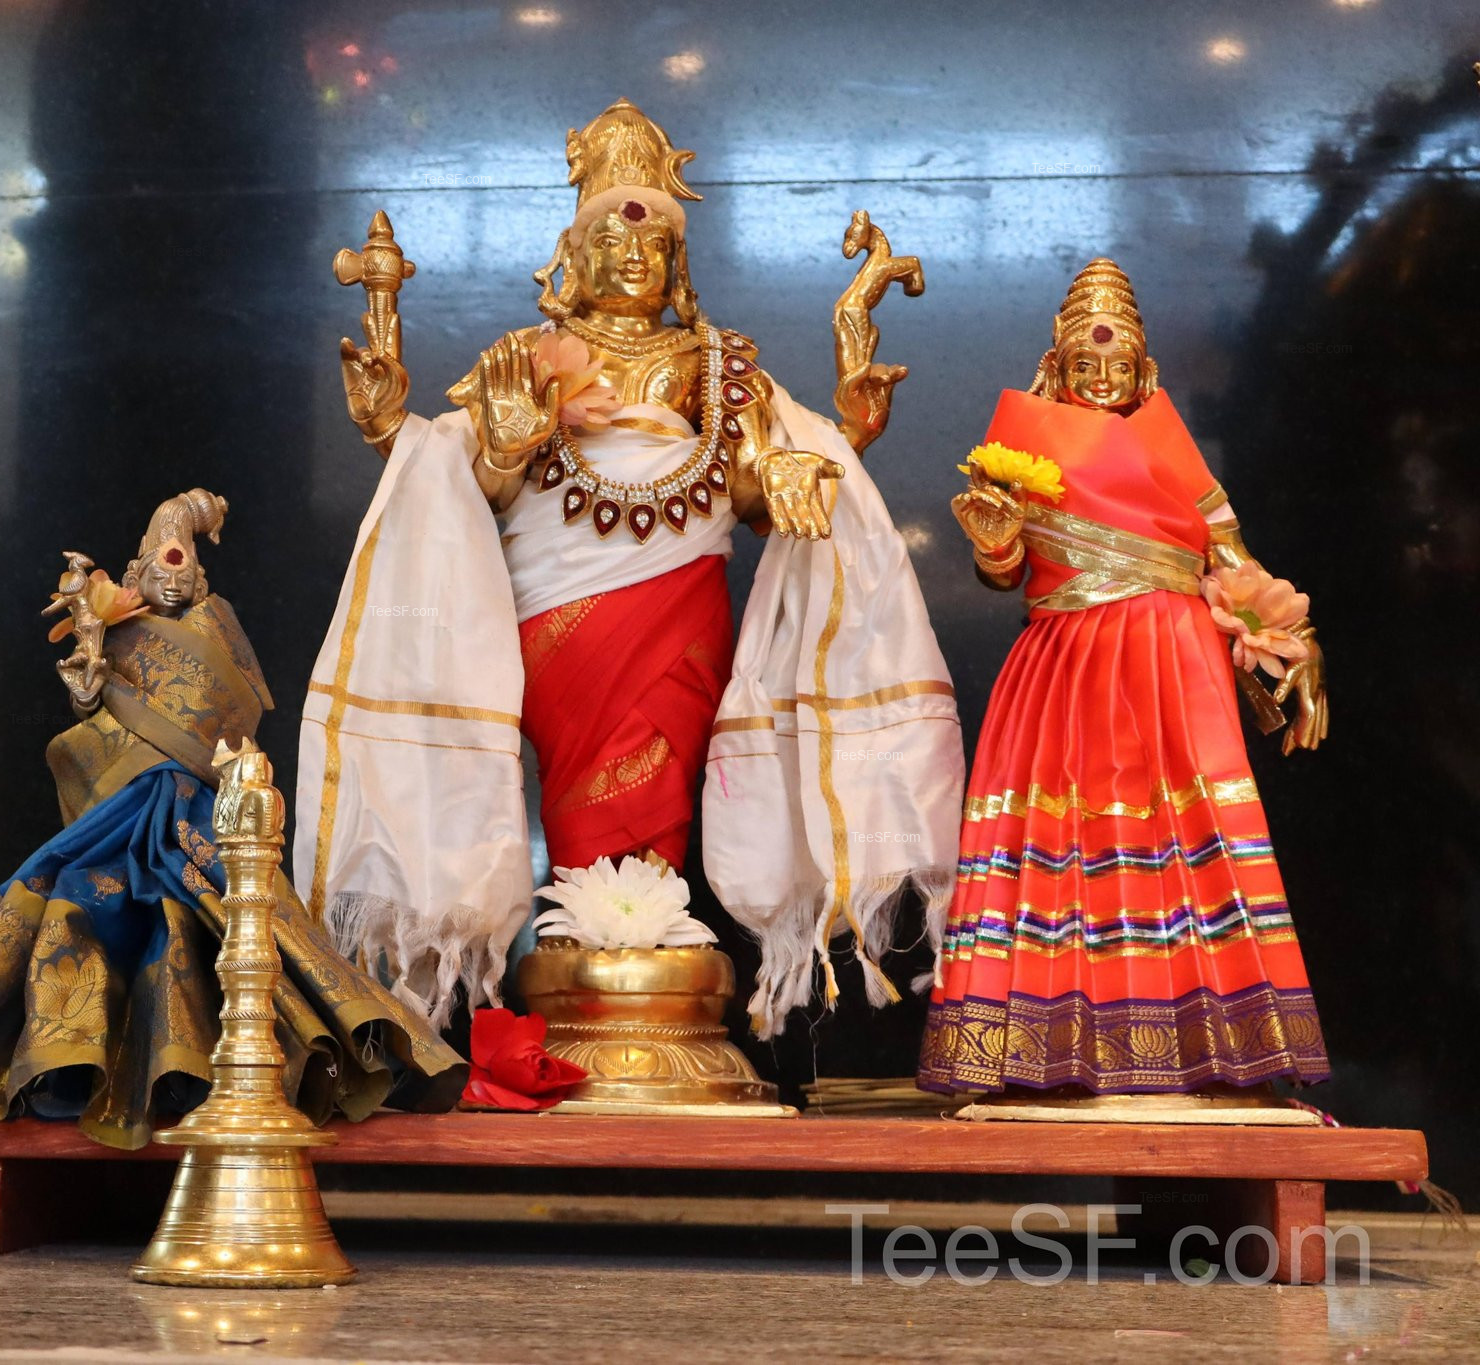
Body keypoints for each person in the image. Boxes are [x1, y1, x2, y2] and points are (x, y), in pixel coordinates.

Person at [305, 101, 962, 1030]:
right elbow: (470, 474)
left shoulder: (717, 362)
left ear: (679, 262)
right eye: (609, 238)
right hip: (563, 622)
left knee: (664, 774)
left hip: (682, 614)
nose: (632, 257)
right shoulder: (527, 358)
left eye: (652, 242)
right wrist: (422, 430)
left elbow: (755, 476)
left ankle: (655, 938)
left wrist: (795, 463)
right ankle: (576, 942)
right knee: (580, 790)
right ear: (571, 255)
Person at [0, 490, 464, 1148]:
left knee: (232, 923)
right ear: (138, 572)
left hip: (198, 809)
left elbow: (236, 716)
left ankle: (216, 1071)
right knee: (78, 904)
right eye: (163, 568)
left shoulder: (216, 625)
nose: (175, 580)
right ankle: (67, 1064)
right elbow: (91, 711)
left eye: (184, 570)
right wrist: (90, 665)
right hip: (121, 803)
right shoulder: (118, 628)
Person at [919, 261, 1332, 1097]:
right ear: (1056, 369)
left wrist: (1302, 647)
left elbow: (1240, 568)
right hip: (1064, 663)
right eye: (1084, 367)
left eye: (1117, 367)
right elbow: (1001, 570)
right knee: (1069, 845)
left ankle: (1204, 1045)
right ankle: (1043, 1044)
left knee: (1174, 843)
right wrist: (997, 541)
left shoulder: (1175, 459)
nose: (1102, 381)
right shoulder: (1020, 447)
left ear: (1145, 371)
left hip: (1176, 670)